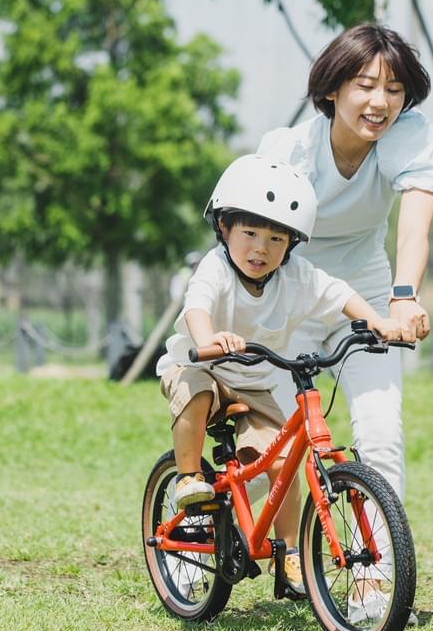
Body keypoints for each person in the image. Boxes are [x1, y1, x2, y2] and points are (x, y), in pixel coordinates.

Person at [256, 23, 433, 622]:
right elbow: (255, 244)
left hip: (366, 289)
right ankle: (212, 530)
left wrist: (402, 298)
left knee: (379, 431)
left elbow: (414, 224)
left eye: (394, 89)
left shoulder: (408, 137)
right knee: (263, 439)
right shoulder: (287, 152)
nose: (380, 102)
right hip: (291, 288)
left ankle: (373, 579)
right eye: (365, 85)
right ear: (333, 90)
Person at [155, 153, 402, 595]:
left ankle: (289, 555)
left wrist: (377, 322)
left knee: (285, 460)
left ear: (291, 245)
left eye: (275, 238)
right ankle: (189, 478)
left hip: (258, 383)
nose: (261, 248)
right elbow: (197, 305)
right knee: (194, 390)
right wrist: (209, 336)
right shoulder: (215, 268)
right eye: (249, 232)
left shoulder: (297, 276)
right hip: (202, 366)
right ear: (224, 228)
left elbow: (340, 293)